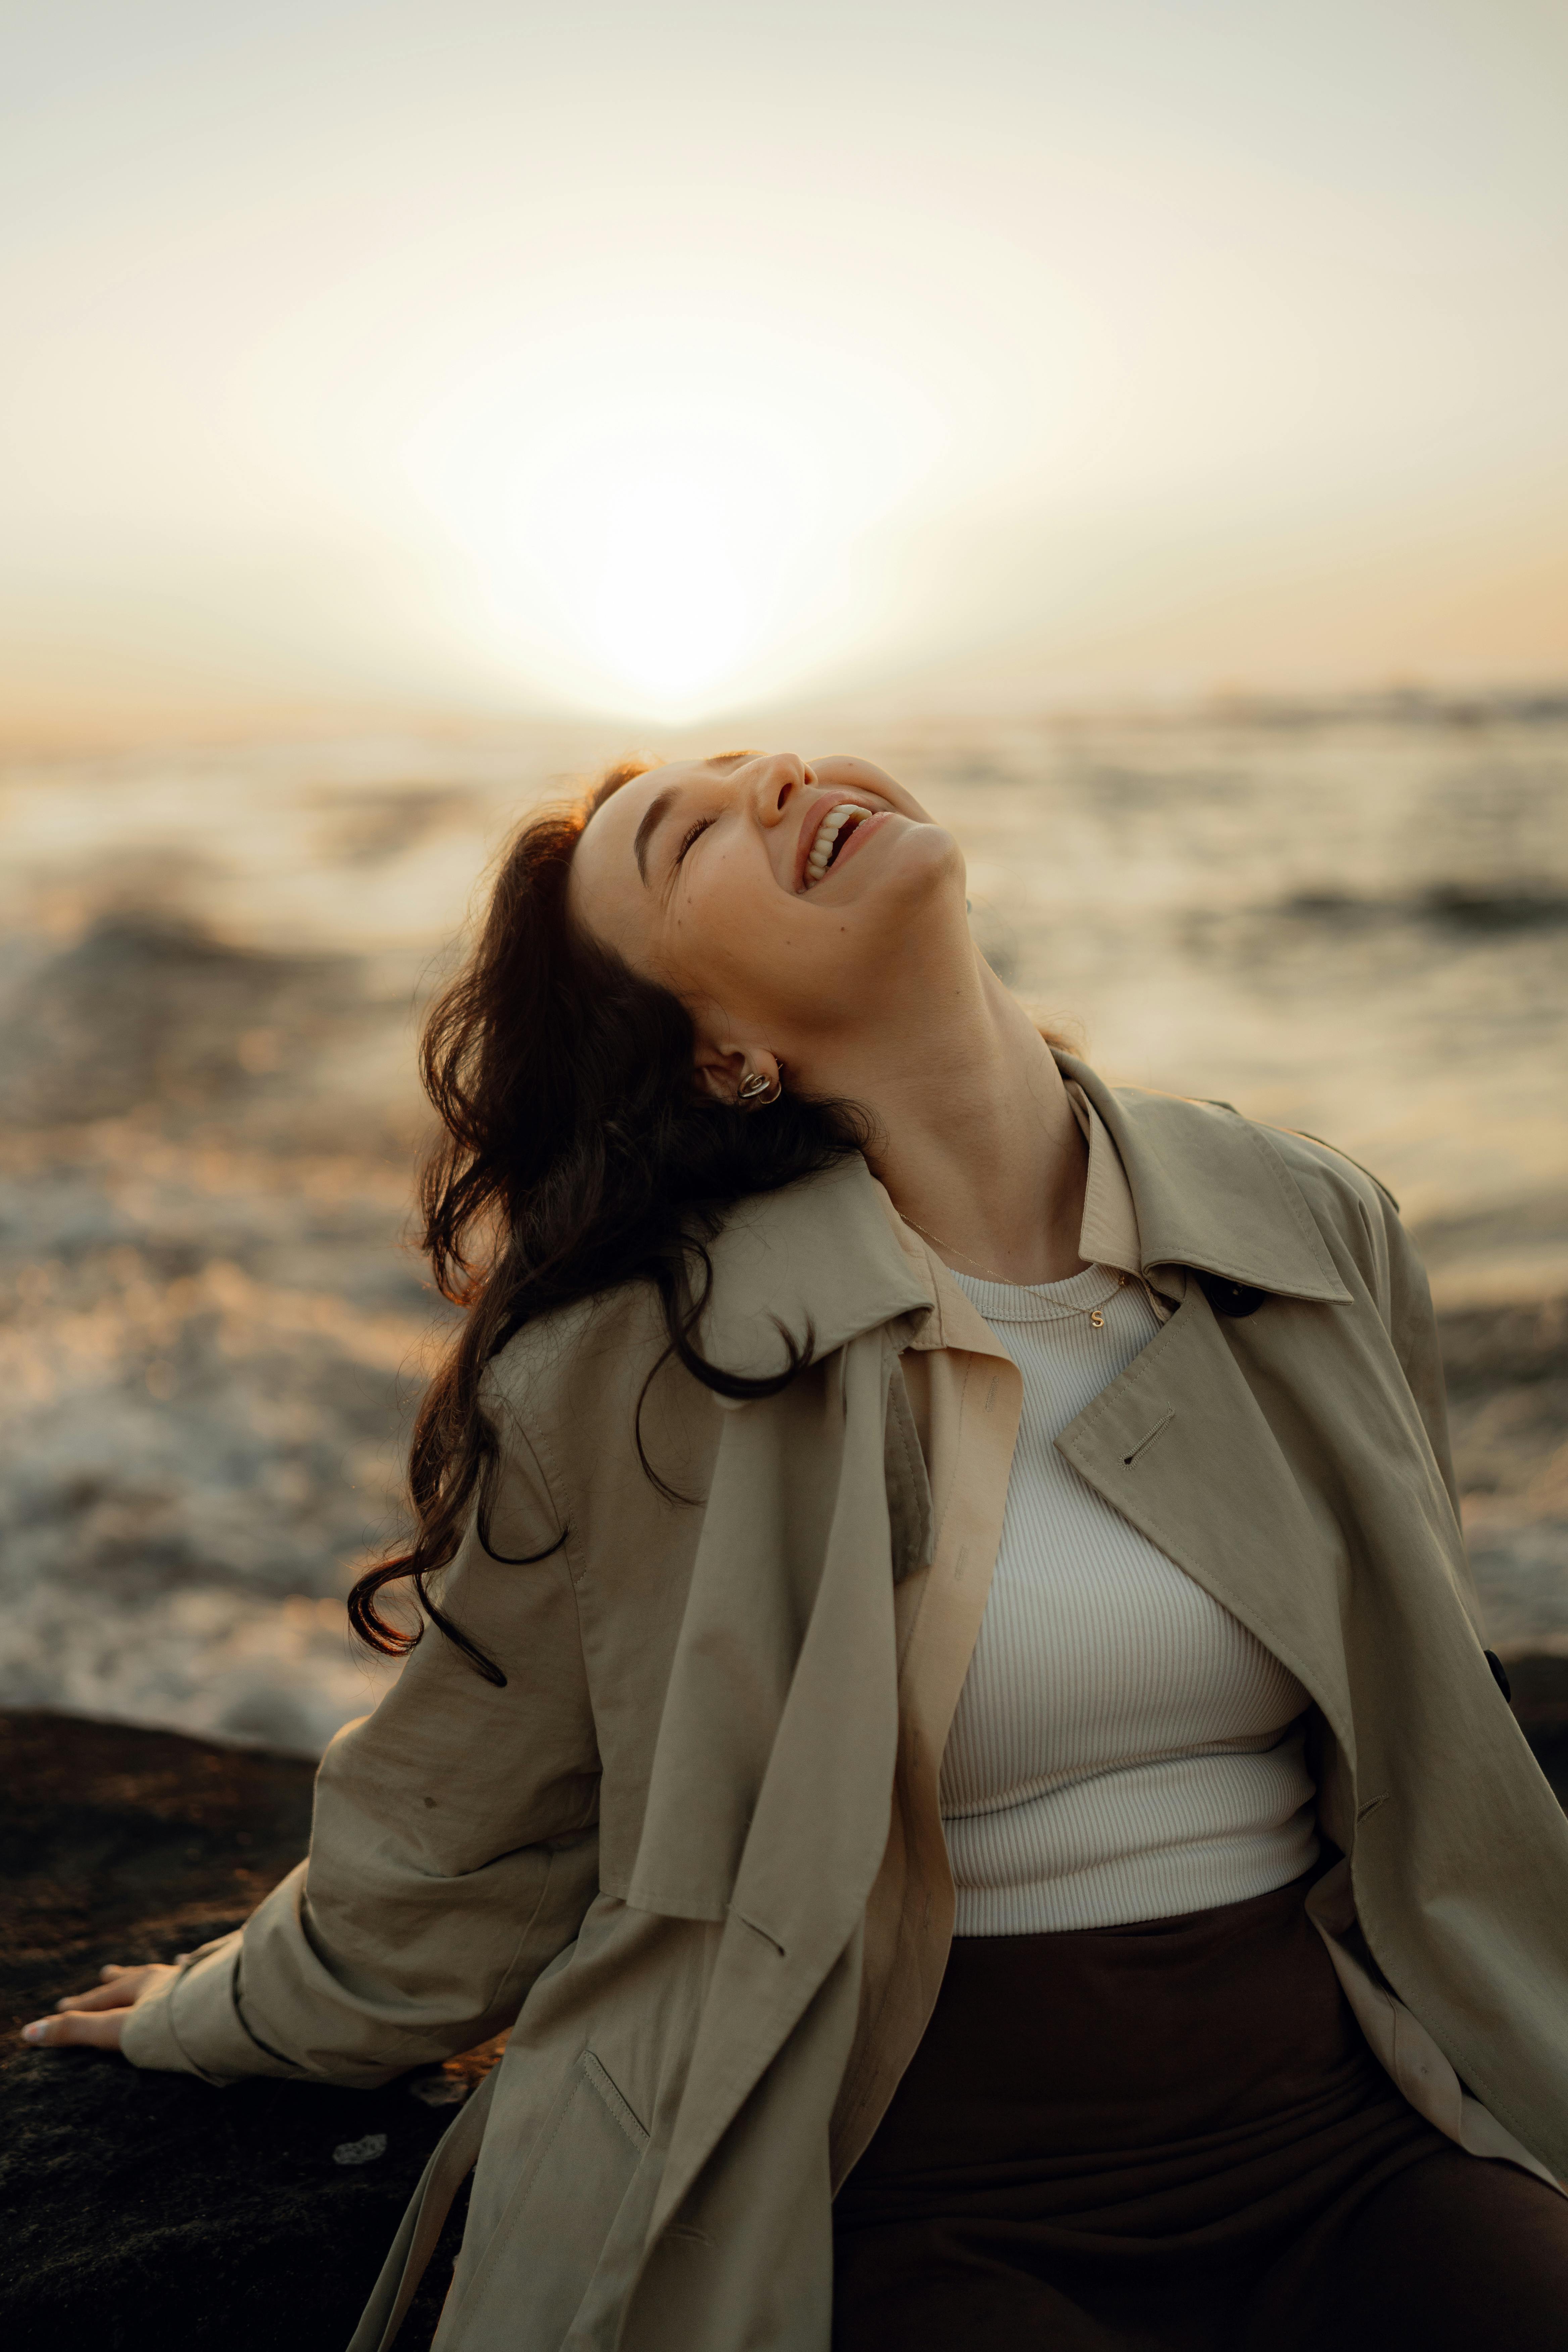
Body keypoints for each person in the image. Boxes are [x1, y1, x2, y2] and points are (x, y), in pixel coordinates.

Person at [24, 751, 1568, 2351]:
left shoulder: (1305, 1221)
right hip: (911, 2190)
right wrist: (216, 2011)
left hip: (1350, 2137)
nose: (773, 779)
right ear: (723, 1055)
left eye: (760, 759)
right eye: (685, 836)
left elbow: (1418, 1705)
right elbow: (457, 1834)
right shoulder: (641, 1366)